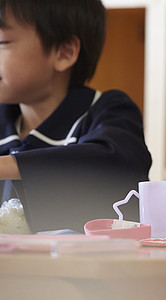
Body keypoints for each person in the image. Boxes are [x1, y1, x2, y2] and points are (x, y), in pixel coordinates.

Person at [0, 0, 151, 232]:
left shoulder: (109, 110)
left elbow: (117, 167)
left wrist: (8, 166)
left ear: (64, 52)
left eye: (3, 42)